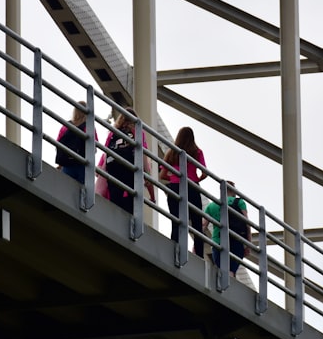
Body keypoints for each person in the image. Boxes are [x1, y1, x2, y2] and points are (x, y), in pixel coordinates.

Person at [160, 127, 207, 257]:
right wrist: (196, 179)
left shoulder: (172, 152)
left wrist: (174, 178)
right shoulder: (197, 152)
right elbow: (204, 173)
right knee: (197, 222)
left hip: (175, 187)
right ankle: (200, 255)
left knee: (177, 221)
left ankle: (175, 250)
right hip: (192, 187)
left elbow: (162, 175)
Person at [103, 107, 155, 213]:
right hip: (130, 169)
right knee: (132, 199)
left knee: (115, 198)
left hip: (113, 168)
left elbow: (106, 153)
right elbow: (143, 154)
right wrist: (148, 175)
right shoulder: (137, 132)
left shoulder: (113, 133)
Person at [203, 181, 250, 277]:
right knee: (231, 269)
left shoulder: (211, 205)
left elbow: (203, 226)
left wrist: (196, 245)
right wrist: (248, 244)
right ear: (232, 190)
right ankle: (229, 290)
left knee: (222, 269)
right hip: (236, 239)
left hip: (218, 241)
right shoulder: (239, 202)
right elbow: (247, 224)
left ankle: (223, 288)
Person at [55, 101, 93, 185]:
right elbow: (94, 148)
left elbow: (58, 144)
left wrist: (61, 164)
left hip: (67, 164)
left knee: (66, 189)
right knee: (84, 190)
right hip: (83, 164)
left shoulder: (65, 126)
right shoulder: (89, 127)